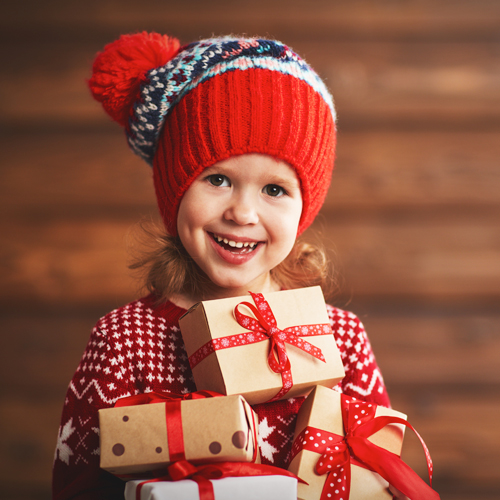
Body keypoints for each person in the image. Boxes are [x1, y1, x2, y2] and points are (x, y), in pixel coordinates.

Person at [52, 32, 393, 499]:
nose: (243, 214)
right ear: (174, 190)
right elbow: (78, 487)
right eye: (218, 179)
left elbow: (381, 476)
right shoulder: (125, 340)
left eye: (274, 190)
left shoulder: (341, 340)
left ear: (304, 208)